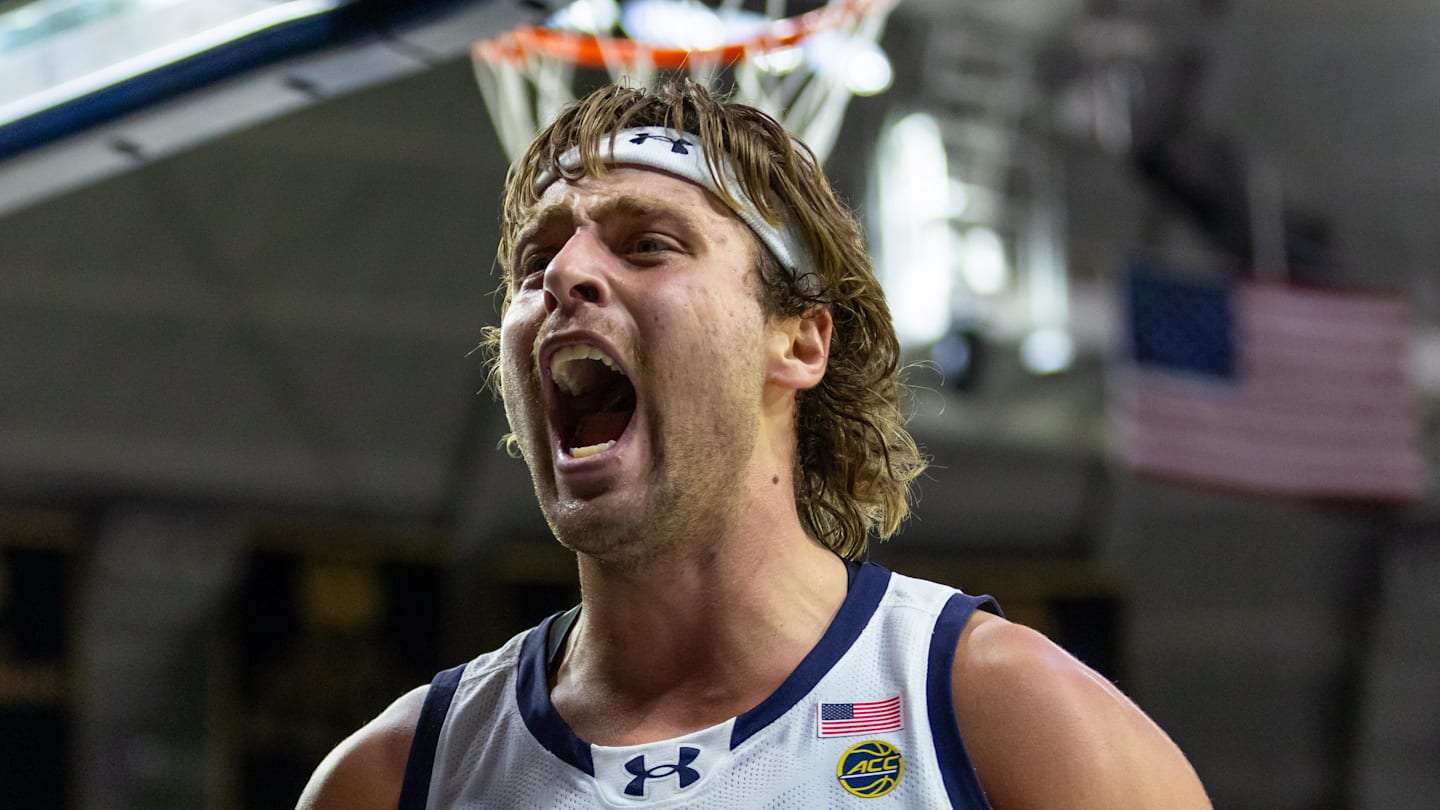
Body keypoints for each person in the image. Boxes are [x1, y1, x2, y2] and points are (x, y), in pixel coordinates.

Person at [298, 79, 1211, 809]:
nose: (566, 274)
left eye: (647, 245)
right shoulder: (394, 780)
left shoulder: (1002, 720)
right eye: (536, 264)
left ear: (799, 341)